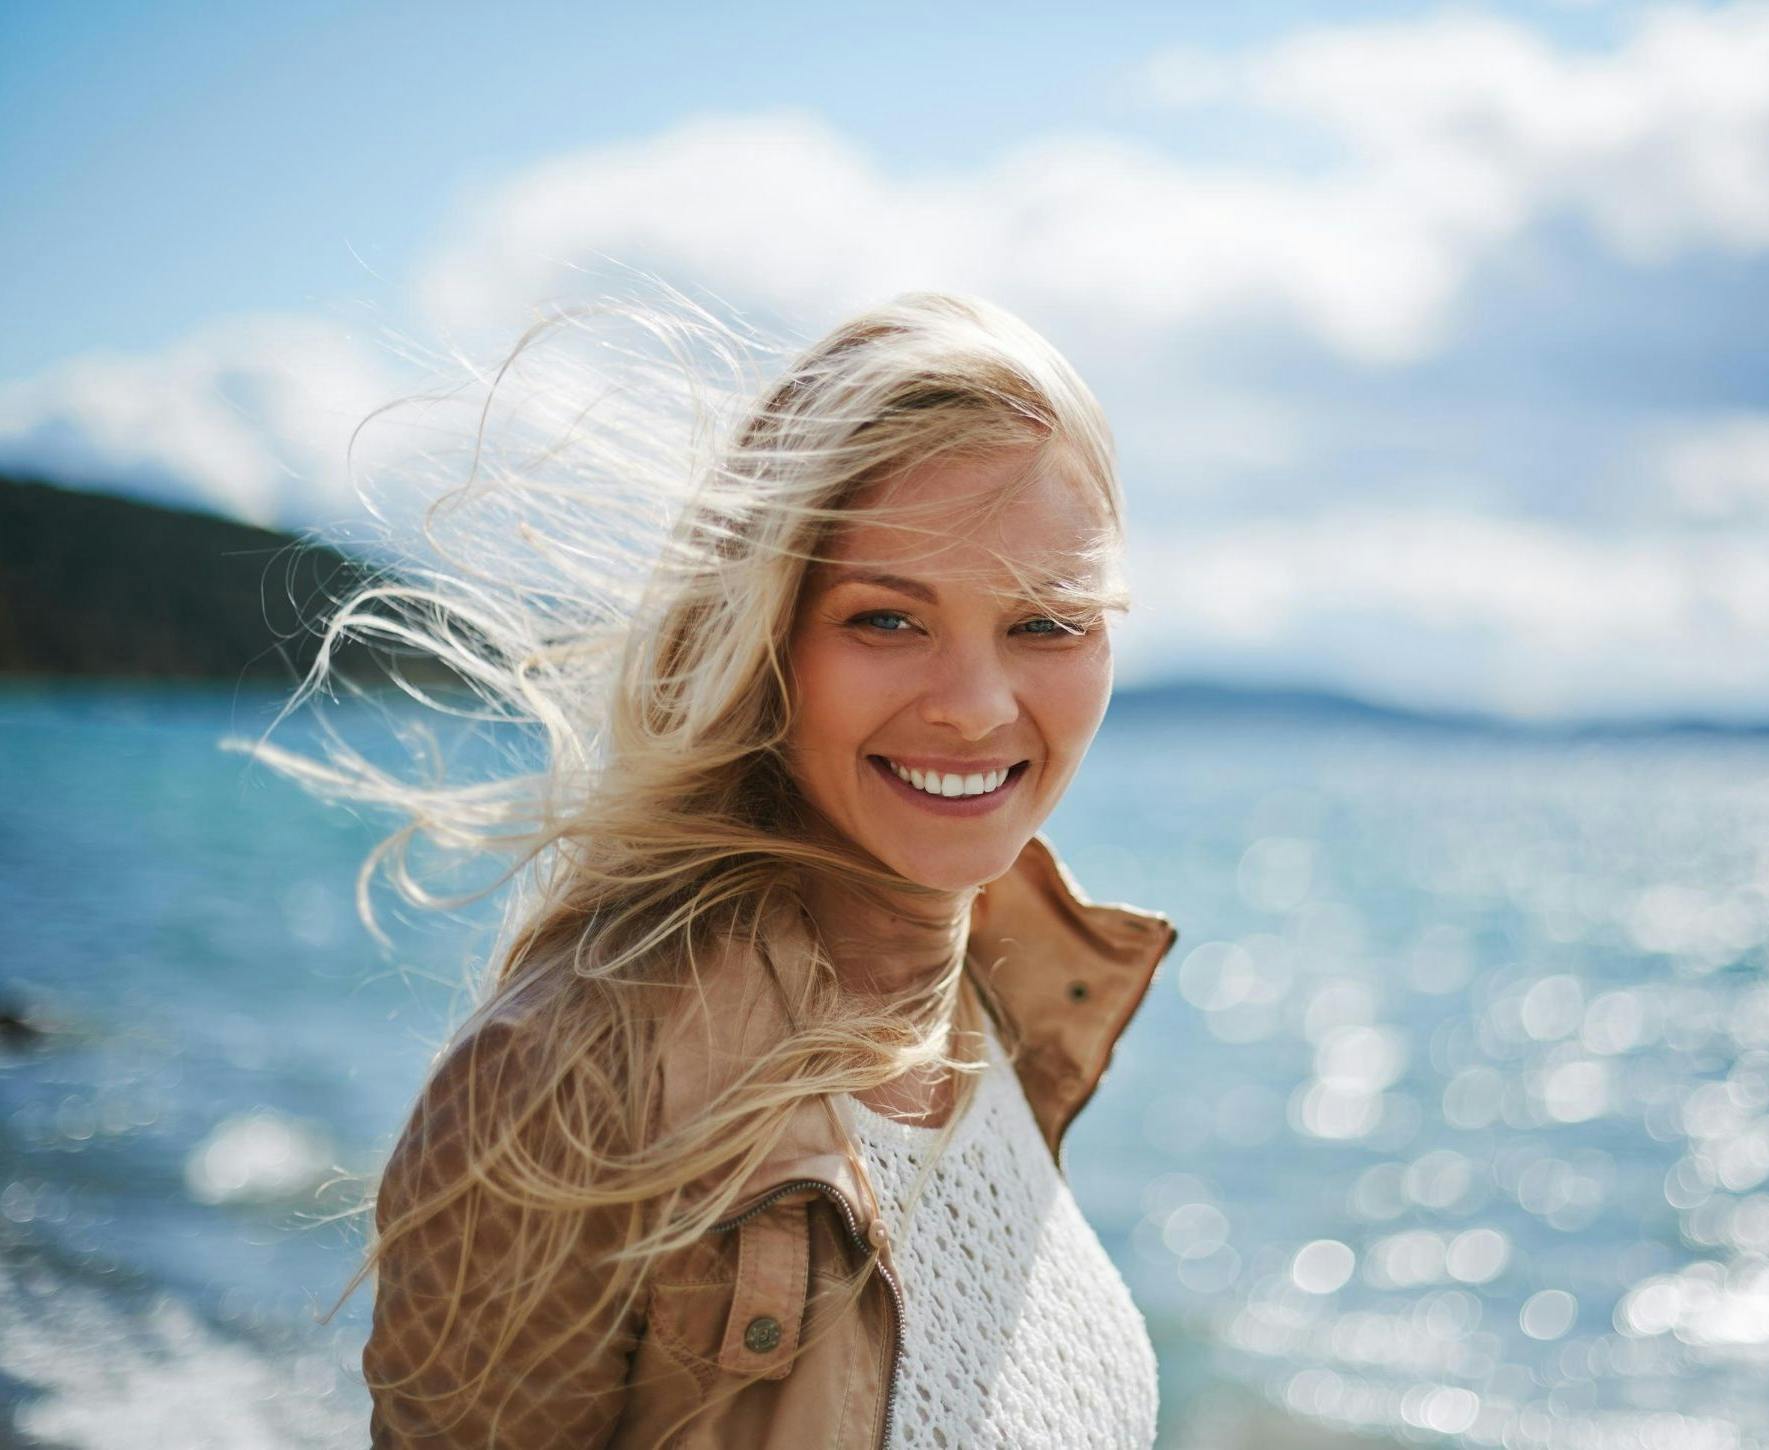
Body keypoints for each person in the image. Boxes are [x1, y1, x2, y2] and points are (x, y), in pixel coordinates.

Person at [265, 287, 1180, 1446]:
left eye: (1047, 623)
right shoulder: (572, 1076)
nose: (977, 706)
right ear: (763, 633)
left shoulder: (995, 1001)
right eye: (887, 620)